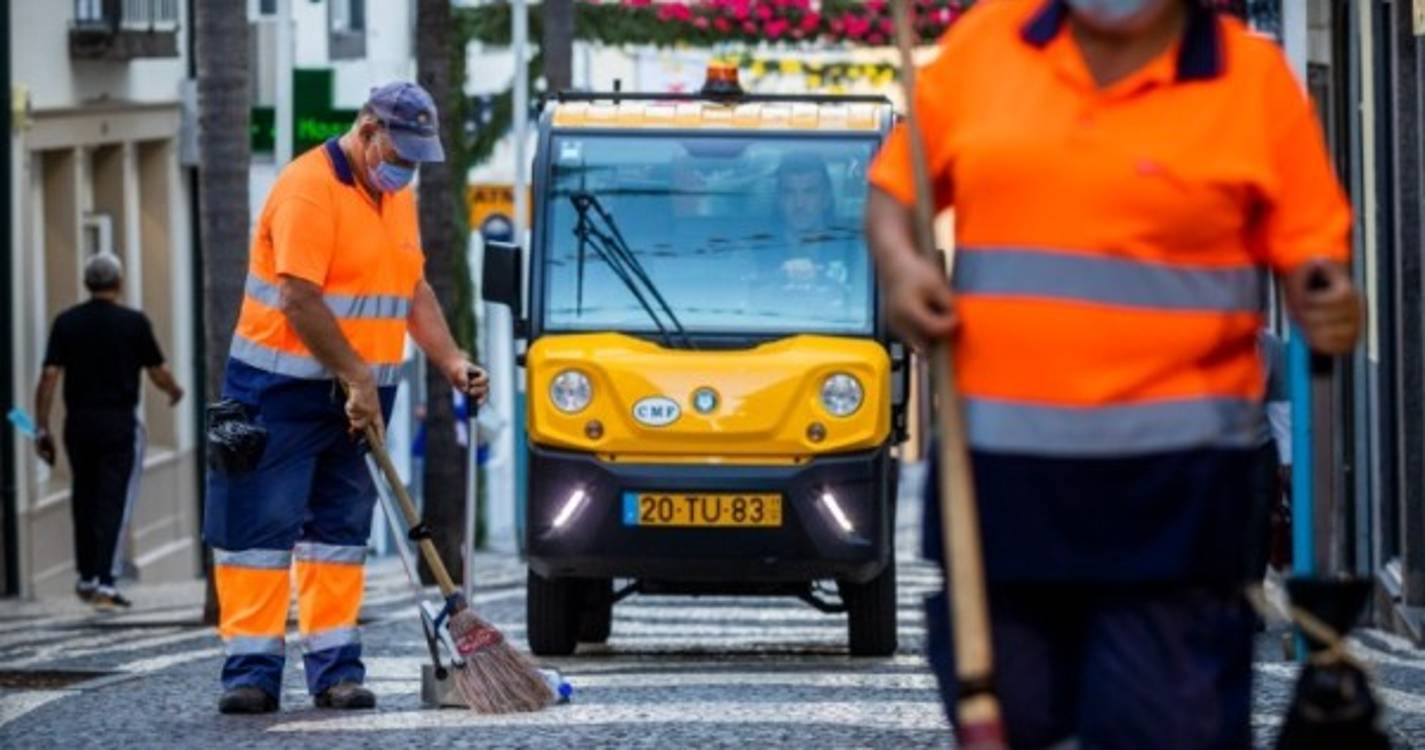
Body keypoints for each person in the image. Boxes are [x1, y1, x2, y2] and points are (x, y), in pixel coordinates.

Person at [864, 1, 1361, 748]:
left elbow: (1313, 254)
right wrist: (903, 273)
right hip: (1002, 487)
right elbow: (893, 199)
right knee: (1007, 717)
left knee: (1159, 729)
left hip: (1177, 496)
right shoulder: (986, 48)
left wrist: (1329, 300)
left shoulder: (1249, 81)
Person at [206, 82, 490, 715]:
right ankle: (250, 672)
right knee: (261, 535)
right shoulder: (308, 189)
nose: (407, 170)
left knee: (338, 535)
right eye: (401, 154)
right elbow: (299, 298)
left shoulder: (396, 198)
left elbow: (410, 289)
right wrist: (357, 378)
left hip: (363, 393)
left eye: (418, 160)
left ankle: (336, 671)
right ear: (367, 132)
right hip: (277, 392)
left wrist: (450, 360)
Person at [33, 252, 185, 611]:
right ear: (119, 283)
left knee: (83, 495)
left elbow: (49, 377)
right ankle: (105, 581)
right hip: (118, 422)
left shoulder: (66, 323)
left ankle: (86, 575)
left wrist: (42, 426)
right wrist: (174, 391)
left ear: (88, 284)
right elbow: (157, 371)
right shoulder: (133, 323)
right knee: (115, 499)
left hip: (79, 423)